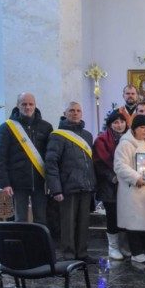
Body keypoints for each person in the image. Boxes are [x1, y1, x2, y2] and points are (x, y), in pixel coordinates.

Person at [45, 102, 97, 263]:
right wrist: (56, 189)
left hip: (86, 185)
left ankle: (82, 253)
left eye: (78, 111)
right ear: (65, 113)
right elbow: (51, 163)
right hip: (67, 186)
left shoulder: (87, 135)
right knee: (67, 222)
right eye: (71, 111)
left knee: (83, 222)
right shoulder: (57, 135)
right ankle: (68, 254)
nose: (75, 113)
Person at [113, 115, 145, 264]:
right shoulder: (126, 144)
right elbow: (119, 165)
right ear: (134, 128)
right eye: (142, 127)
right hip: (134, 189)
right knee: (134, 221)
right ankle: (136, 252)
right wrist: (136, 177)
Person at [0, 92, 53, 225]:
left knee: (41, 220)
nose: (27, 107)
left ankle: (39, 246)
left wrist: (51, 181)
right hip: (17, 183)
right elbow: (0, 158)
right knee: (20, 220)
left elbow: (50, 157)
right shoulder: (7, 127)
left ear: (35, 105)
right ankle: (21, 246)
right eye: (24, 104)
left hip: (40, 182)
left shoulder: (46, 127)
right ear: (17, 105)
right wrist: (5, 183)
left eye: (30, 104)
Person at [93, 111, 130, 261]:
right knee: (113, 216)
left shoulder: (130, 139)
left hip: (126, 184)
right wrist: (112, 177)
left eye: (122, 122)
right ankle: (113, 247)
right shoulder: (101, 140)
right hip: (109, 185)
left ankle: (124, 246)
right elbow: (99, 163)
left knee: (125, 216)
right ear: (110, 124)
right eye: (116, 122)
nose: (119, 125)